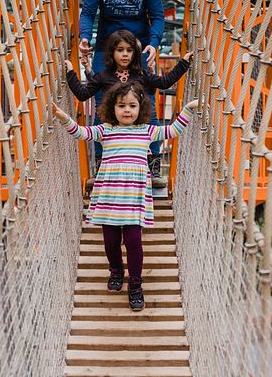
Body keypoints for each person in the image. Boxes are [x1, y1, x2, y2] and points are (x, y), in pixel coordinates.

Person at [52, 80, 199, 311]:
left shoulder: (147, 131)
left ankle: (136, 286)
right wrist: (63, 117)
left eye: (132, 105)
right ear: (113, 108)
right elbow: (81, 133)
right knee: (110, 242)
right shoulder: (106, 130)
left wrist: (188, 109)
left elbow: (173, 130)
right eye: (122, 106)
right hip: (110, 196)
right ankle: (116, 270)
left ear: (141, 109)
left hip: (132, 198)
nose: (127, 110)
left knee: (133, 242)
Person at [77, 0, 166, 184]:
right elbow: (88, 12)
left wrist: (153, 44)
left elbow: (157, 16)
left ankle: (152, 165)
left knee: (147, 102)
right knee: (101, 103)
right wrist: (85, 37)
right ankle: (102, 164)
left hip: (139, 47)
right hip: (107, 47)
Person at [68, 30, 191, 187]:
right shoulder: (104, 76)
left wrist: (183, 63)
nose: (125, 54)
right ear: (112, 53)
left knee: (147, 137)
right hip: (113, 126)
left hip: (135, 125)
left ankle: (151, 171)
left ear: (135, 53)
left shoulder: (141, 75)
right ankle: (102, 172)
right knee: (102, 137)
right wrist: (71, 72)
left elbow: (164, 82)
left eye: (129, 50)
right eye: (120, 50)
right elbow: (83, 94)